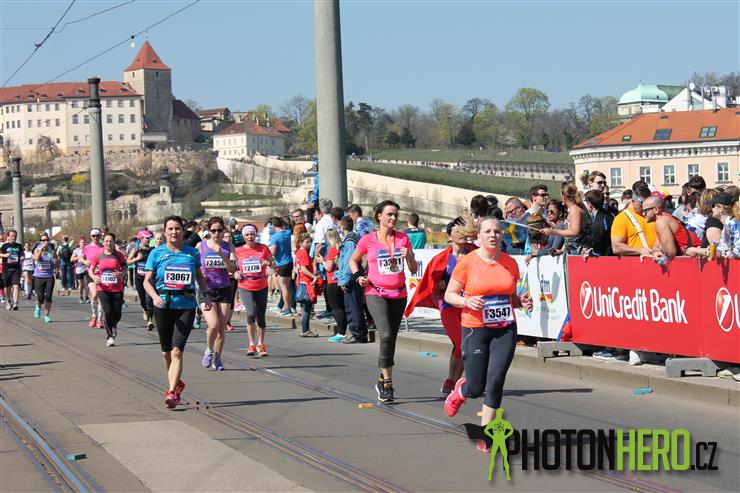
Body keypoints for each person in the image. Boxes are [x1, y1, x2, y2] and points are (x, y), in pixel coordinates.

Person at [442, 217, 533, 452]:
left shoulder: (510, 263)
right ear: (479, 236)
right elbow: (450, 295)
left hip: (505, 328)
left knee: (496, 380)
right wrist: (466, 301)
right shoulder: (467, 262)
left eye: (497, 232)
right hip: (475, 328)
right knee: (476, 388)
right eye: (488, 232)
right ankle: (461, 391)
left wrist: (521, 301)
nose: (493, 235)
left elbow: (509, 297)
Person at [349, 200, 417, 402]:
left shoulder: (403, 238)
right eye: (389, 214)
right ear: (379, 216)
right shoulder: (368, 239)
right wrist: (358, 276)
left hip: (399, 294)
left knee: (391, 338)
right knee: (385, 335)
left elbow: (413, 269)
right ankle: (387, 383)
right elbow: (353, 260)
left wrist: (409, 256)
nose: (393, 218)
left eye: (396, 215)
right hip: (375, 292)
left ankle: (382, 377)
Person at [144, 215, 212, 409]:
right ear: (165, 232)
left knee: (177, 351)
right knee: (166, 353)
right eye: (170, 229)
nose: (174, 232)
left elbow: (199, 277)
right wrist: (154, 296)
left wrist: (206, 295)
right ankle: (177, 383)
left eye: (177, 228)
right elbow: (147, 280)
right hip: (163, 305)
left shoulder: (192, 253)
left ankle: (172, 392)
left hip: (186, 306)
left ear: (183, 231)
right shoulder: (156, 253)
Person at [405, 216, 477, 394]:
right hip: (449, 307)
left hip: (469, 306)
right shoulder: (441, 259)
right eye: (457, 231)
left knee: (465, 345)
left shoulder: (475, 253)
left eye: (463, 230)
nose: (460, 234)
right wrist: (439, 286)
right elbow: (430, 285)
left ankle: (454, 382)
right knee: (461, 343)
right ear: (450, 235)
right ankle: (454, 380)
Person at [198, 217, 237, 370]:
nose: (216, 233)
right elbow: (194, 266)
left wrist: (221, 254)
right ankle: (209, 350)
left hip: (224, 289)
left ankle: (218, 358)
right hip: (207, 289)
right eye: (213, 230)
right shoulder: (201, 245)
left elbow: (232, 270)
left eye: (219, 230)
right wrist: (200, 274)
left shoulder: (228, 246)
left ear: (223, 231)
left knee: (221, 328)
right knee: (213, 325)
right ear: (209, 231)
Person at [235, 224, 274, 356]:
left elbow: (273, 263)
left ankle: (261, 344)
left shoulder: (263, 248)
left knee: (260, 316)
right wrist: (235, 273)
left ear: (256, 235)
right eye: (247, 234)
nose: (250, 237)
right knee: (251, 313)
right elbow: (232, 266)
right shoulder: (238, 250)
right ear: (243, 236)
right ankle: (251, 343)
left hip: (261, 285)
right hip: (245, 286)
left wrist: (268, 263)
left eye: (252, 234)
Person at [89, 233, 127, 347]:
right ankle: (109, 337)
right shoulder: (98, 255)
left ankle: (113, 325)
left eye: (110, 241)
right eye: (106, 241)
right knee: (108, 312)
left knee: (117, 314)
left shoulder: (118, 255)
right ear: (103, 242)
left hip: (117, 288)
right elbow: (90, 270)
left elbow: (125, 267)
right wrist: (94, 277)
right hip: (102, 288)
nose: (108, 243)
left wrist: (121, 274)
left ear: (114, 242)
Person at [335, 216, 368, 344]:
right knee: (356, 306)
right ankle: (361, 333)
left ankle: (357, 334)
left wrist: (344, 280)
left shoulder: (349, 241)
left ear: (343, 226)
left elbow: (349, 263)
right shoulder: (354, 239)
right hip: (355, 277)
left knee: (352, 307)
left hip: (351, 278)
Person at [642, 195, 700, 260]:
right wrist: (655, 252)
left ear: (656, 210)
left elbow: (670, 252)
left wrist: (658, 252)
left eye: (645, 210)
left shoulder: (661, 221)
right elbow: (656, 247)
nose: (643, 214)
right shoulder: (664, 218)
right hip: (692, 258)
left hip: (697, 258)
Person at [541, 182, 590, 255]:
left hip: (579, 253)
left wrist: (553, 231)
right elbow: (569, 238)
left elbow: (574, 232)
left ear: (563, 196)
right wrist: (561, 250)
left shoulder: (574, 210)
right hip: (572, 252)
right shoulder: (573, 209)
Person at [610, 182, 657, 256]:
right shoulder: (622, 218)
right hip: (636, 262)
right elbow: (616, 247)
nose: (645, 207)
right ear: (633, 200)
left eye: (648, 203)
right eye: (642, 203)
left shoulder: (651, 215)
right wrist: (639, 250)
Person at [321, 229, 347, 343]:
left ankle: (341, 333)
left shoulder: (332, 249)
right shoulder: (342, 248)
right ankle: (343, 331)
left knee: (336, 308)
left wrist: (322, 261)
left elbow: (329, 267)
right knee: (342, 306)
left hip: (333, 280)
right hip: (341, 279)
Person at [128, 230, 155, 330]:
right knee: (143, 300)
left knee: (149, 299)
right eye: (146, 238)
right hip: (139, 278)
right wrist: (136, 259)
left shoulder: (152, 250)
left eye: (149, 238)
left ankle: (150, 321)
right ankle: (144, 309)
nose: (148, 240)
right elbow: (128, 261)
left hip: (149, 279)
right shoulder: (136, 249)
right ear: (141, 239)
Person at [294, 233, 320, 337]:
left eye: (310, 242)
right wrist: (314, 277)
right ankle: (305, 330)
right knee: (307, 307)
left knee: (305, 307)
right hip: (307, 282)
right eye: (307, 242)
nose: (309, 244)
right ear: (301, 243)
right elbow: (303, 269)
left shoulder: (298, 252)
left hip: (301, 281)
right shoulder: (304, 252)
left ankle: (305, 329)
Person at [269, 216, 294, 317]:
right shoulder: (288, 232)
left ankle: (287, 308)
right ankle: (287, 306)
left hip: (281, 263)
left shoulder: (275, 236)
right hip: (290, 262)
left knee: (283, 287)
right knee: (287, 286)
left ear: (274, 226)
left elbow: (272, 251)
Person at [32, 232, 57, 323]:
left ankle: (46, 315)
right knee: (41, 297)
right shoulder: (37, 249)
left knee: (49, 297)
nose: (45, 242)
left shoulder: (51, 250)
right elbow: (36, 258)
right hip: (38, 276)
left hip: (49, 276)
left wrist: (55, 262)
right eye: (43, 240)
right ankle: (38, 306)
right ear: (40, 241)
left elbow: (56, 262)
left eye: (47, 240)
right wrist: (42, 249)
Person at [82, 229, 105, 328]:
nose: (95, 238)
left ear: (100, 236)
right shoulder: (87, 247)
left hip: (101, 274)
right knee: (94, 294)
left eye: (97, 236)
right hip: (91, 274)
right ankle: (94, 316)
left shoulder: (103, 247)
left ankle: (100, 319)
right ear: (90, 237)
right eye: (93, 236)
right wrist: (85, 261)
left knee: (101, 296)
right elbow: (81, 257)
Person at [583, 190, 614, 256]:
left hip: (607, 258)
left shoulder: (597, 224)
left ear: (590, 205)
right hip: (614, 255)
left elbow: (598, 252)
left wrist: (590, 253)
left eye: (586, 203)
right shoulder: (610, 215)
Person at [0, 229, 23, 310]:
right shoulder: (4, 246)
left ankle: (15, 303)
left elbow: (22, 255)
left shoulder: (19, 246)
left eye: (15, 236)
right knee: (7, 287)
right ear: (8, 236)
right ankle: (8, 301)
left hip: (16, 269)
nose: (13, 237)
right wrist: (5, 255)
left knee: (16, 286)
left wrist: (22, 258)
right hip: (6, 269)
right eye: (12, 236)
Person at [70, 237, 89, 303]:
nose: (83, 243)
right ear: (79, 243)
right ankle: (80, 297)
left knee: (87, 283)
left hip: (86, 268)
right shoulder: (76, 250)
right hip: (79, 268)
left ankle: (87, 297)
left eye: (84, 242)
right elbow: (71, 259)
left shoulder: (88, 249)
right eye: (82, 242)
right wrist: (79, 257)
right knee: (81, 283)